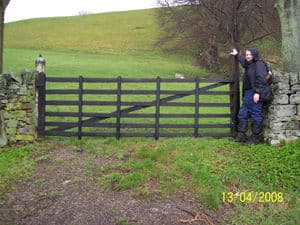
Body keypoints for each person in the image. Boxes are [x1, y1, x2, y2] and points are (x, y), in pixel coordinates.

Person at [230, 48, 268, 144]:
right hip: (247, 94)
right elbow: (243, 61)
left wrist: (257, 93)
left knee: (256, 115)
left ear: (254, 55)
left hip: (254, 93)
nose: (247, 56)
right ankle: (241, 135)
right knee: (242, 114)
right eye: (246, 54)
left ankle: (255, 138)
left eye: (249, 54)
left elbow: (262, 79)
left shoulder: (259, 64)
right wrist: (237, 54)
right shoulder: (249, 64)